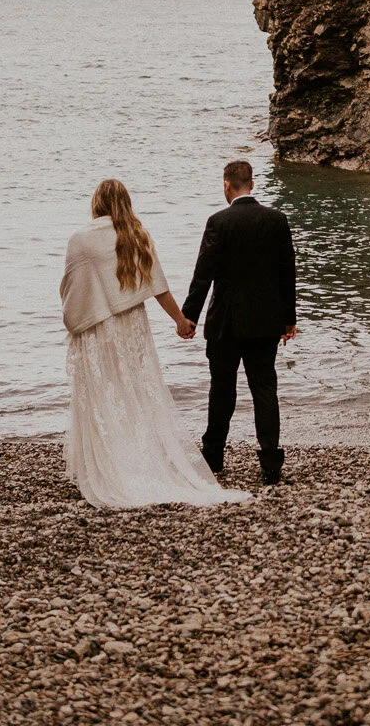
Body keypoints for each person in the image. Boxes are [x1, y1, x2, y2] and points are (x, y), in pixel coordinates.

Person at [60, 177, 248, 510]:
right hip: (132, 328)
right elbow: (158, 286)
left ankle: (107, 464)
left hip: (99, 328)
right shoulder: (136, 236)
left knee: (104, 393)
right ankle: (137, 456)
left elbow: (71, 290)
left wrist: (80, 316)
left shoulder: (81, 240)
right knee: (134, 393)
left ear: (97, 203)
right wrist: (180, 319)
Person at [178, 159, 298, 486]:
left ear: (227, 186)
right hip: (265, 324)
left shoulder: (218, 222)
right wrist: (289, 320)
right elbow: (288, 274)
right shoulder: (276, 220)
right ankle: (270, 462)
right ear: (253, 185)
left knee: (222, 389)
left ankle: (214, 456)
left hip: (225, 325)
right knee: (264, 389)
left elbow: (203, 275)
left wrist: (189, 317)